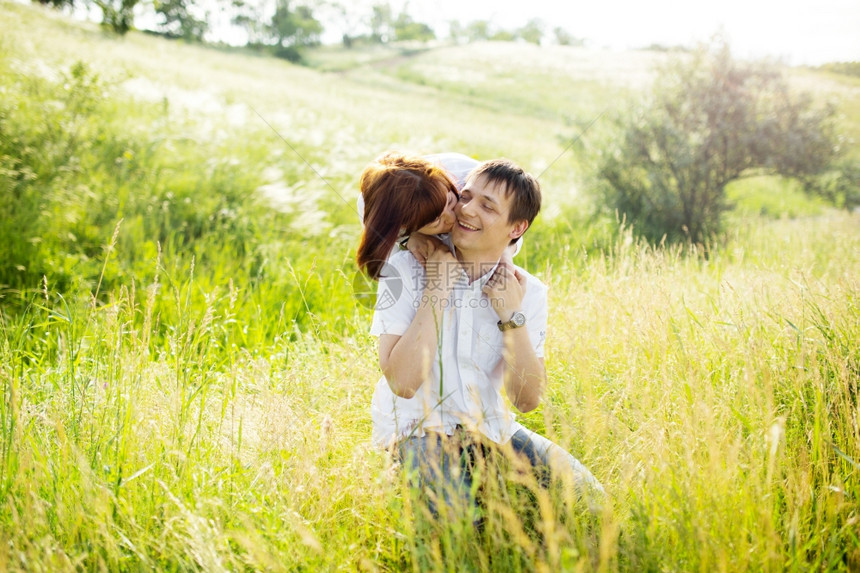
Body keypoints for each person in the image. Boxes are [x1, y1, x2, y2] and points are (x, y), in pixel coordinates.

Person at [368, 158, 605, 517]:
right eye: (465, 196)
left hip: (491, 430)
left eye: (487, 206)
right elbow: (403, 383)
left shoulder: (529, 292)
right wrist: (438, 284)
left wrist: (511, 316)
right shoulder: (405, 267)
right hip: (416, 431)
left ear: (517, 228)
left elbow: (526, 399)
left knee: (590, 498)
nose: (466, 210)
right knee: (459, 522)